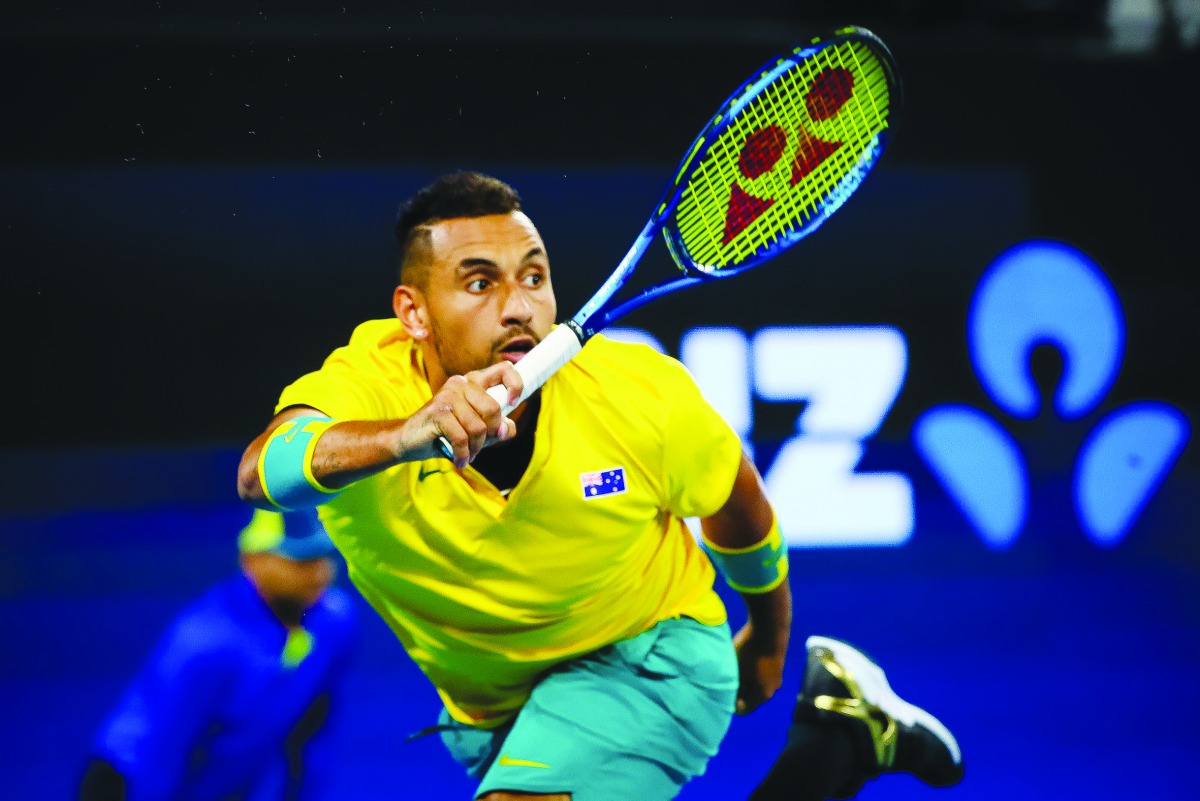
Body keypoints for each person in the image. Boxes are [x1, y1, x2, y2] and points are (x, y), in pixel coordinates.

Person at [235, 171, 963, 800]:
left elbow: (734, 493)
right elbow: (261, 471)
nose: (518, 305)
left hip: (650, 654)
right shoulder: (366, 384)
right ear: (413, 313)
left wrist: (768, 639)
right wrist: (404, 434)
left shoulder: (635, 394)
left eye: (534, 276)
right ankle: (839, 739)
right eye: (480, 282)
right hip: (494, 708)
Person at [79, 509, 359, 801]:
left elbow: (314, 731)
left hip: (219, 781)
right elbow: (162, 753)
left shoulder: (335, 622)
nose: (318, 573)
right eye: (299, 560)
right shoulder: (205, 642)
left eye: (324, 557)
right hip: (131, 783)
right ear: (252, 561)